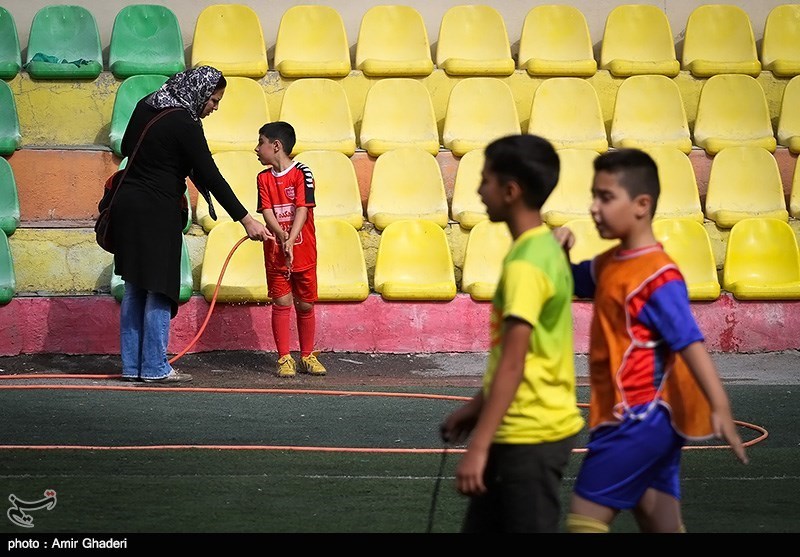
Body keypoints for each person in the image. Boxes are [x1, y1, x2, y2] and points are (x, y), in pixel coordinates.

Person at [553, 149, 749, 534]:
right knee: (660, 523)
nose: (594, 208)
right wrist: (558, 252)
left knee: (583, 520)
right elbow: (570, 281)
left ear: (642, 205)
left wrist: (720, 405)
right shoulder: (611, 262)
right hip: (652, 421)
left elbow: (689, 341)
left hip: (635, 418)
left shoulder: (658, 276)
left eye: (605, 197)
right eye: (594, 196)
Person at [439, 135, 585, 533]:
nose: (478, 190)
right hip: (521, 427)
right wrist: (475, 408)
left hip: (529, 434)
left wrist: (479, 445)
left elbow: (514, 362)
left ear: (511, 191)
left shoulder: (526, 264)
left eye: (485, 180)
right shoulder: (545, 248)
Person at [113, 66, 271, 383]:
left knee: (135, 285)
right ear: (199, 92)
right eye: (213, 100)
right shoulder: (184, 122)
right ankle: (155, 366)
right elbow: (209, 174)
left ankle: (132, 367)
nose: (214, 107)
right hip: (157, 210)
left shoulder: (148, 103)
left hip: (128, 205)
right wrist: (246, 219)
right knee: (158, 286)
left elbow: (128, 147)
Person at [255, 121, 326, 378]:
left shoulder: (302, 173)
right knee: (281, 301)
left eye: (260, 142)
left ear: (276, 145)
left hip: (303, 250)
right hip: (276, 252)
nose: (256, 148)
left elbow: (303, 208)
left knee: (305, 304)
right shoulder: (262, 178)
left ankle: (307, 355)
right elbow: (266, 210)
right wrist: (280, 234)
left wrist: (292, 237)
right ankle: (284, 357)